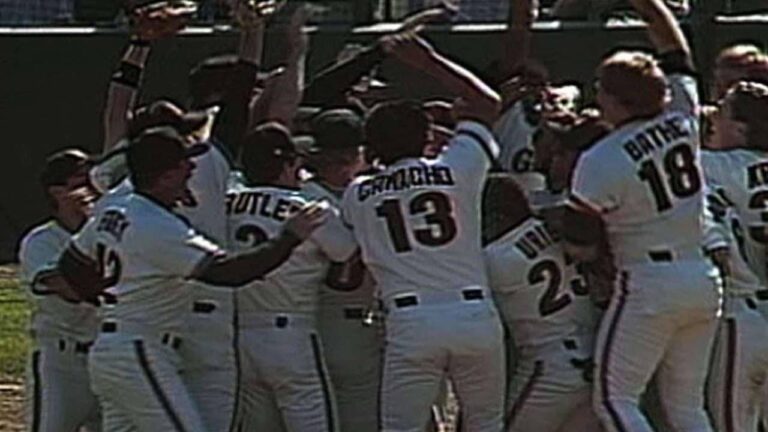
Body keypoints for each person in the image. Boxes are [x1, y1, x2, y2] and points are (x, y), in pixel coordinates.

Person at [57, 127, 329, 431]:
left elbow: (71, 264)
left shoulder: (117, 209)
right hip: (139, 350)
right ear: (166, 175)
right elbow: (230, 272)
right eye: (183, 165)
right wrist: (288, 238)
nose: (191, 170)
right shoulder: (157, 226)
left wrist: (109, 297)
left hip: (113, 344)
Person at [566, 0, 720, 430]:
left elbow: (579, 245)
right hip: (702, 275)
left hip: (649, 282)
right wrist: (649, 6)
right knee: (687, 405)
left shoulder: (601, 159)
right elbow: (675, 48)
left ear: (615, 99)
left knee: (615, 400)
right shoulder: (683, 113)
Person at [340, 34, 505, 431]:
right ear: (428, 138)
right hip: (473, 314)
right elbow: (488, 105)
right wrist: (429, 61)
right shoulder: (455, 167)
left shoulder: (357, 193)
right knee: (486, 425)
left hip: (410, 320)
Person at [228, 122, 358, 432]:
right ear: (288, 164)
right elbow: (346, 252)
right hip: (291, 333)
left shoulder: (227, 201)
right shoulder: (308, 209)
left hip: (239, 334)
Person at [300, 109, 383, 432]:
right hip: (357, 325)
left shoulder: (301, 196)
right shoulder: (374, 195)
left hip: (309, 323)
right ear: (354, 155)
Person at [18, 149, 102, 432]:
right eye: (81, 181)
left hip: (108, 359)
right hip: (62, 364)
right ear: (57, 192)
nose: (91, 189)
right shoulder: (41, 241)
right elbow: (69, 288)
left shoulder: (110, 233)